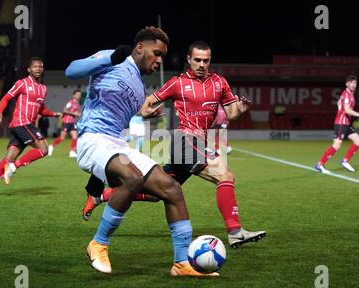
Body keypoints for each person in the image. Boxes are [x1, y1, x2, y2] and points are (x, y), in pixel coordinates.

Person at [83, 41, 266, 249]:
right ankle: (235, 232)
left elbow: (231, 114)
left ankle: (101, 196)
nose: (201, 64)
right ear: (189, 59)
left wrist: (240, 109)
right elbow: (147, 101)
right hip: (185, 140)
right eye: (197, 60)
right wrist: (145, 112)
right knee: (225, 175)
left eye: (206, 60)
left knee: (157, 193)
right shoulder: (177, 83)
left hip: (199, 142)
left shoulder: (219, 83)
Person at [66, 27, 217, 277]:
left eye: (163, 57)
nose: (159, 61)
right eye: (156, 53)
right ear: (139, 48)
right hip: (92, 139)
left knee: (171, 189)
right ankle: (99, 243)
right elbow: (71, 71)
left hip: (116, 143)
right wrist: (110, 58)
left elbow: (121, 112)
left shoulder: (139, 87)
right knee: (132, 178)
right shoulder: (113, 59)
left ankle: (182, 264)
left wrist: (142, 113)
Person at [0, 57, 62, 198]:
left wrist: (54, 114)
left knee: (10, 157)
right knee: (44, 149)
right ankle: (13, 168)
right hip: (22, 123)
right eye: (35, 66)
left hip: (23, 126)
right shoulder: (21, 83)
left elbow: (41, 109)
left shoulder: (43, 89)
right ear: (29, 69)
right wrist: (0, 113)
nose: (38, 68)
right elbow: (6, 98)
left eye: (41, 66)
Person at [315, 75, 359, 174]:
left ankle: (345, 161)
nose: (353, 85)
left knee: (358, 140)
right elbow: (347, 110)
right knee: (336, 145)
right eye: (351, 83)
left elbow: (341, 105)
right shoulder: (347, 95)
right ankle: (320, 164)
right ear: (346, 84)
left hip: (346, 123)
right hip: (341, 123)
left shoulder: (349, 94)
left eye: (355, 83)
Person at [48, 89, 82, 158]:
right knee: (62, 137)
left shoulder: (77, 104)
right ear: (73, 95)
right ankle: (51, 146)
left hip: (72, 123)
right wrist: (74, 113)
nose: (78, 96)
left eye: (80, 95)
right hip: (66, 122)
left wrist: (78, 114)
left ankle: (72, 152)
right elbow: (64, 110)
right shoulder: (70, 102)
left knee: (75, 136)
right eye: (77, 94)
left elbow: (75, 113)